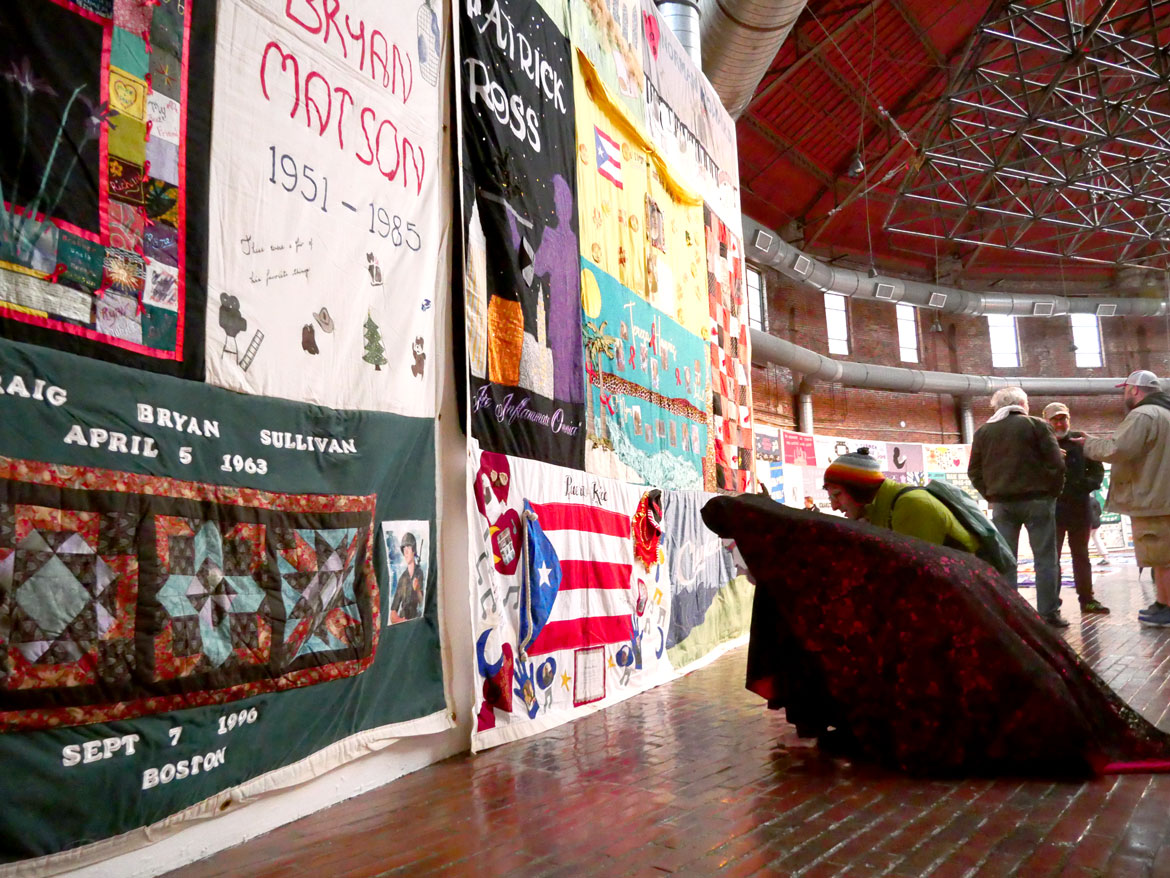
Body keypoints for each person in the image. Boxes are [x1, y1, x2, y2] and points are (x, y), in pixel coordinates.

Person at [702, 493, 1170, 776]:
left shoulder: (799, 547)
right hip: (955, 581)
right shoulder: (807, 534)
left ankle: (1061, 730)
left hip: (939, 595)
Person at [968, 386, 1067, 627]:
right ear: (1023, 404)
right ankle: (1048, 613)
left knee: (1006, 559)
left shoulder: (984, 432)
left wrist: (991, 494)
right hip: (1038, 501)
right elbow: (1056, 464)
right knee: (1045, 559)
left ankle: (1010, 613)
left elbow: (974, 472)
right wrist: (1052, 493)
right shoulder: (1036, 426)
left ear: (997, 407)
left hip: (1002, 505)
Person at [1083, 371, 1170, 627]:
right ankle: (1162, 603)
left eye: (1125, 389)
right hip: (1163, 497)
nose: (1123, 394)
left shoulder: (1144, 415)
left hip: (1151, 500)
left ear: (1134, 390)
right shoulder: (1166, 413)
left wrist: (1087, 444)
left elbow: (1116, 449)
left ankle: (1166, 608)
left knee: (1160, 558)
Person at [823, 448, 978, 553]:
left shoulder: (912, 506)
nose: (834, 506)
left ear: (859, 489)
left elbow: (915, 576)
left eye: (837, 495)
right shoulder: (880, 509)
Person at [1042, 402, 1109, 614]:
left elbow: (1097, 472)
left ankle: (1087, 600)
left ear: (1068, 420)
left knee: (1081, 555)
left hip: (1080, 507)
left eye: (1063, 418)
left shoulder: (1081, 440)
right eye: (1055, 419)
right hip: (1053, 509)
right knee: (1052, 558)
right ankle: (1052, 604)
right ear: (1047, 421)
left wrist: (1082, 486)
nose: (1060, 423)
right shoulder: (1042, 443)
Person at [390, 532, 424, 622]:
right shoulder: (402, 579)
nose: (406, 552)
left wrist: (417, 590)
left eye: (408, 548)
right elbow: (393, 614)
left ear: (414, 551)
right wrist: (401, 621)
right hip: (404, 621)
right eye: (404, 549)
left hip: (417, 620)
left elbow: (423, 603)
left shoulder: (420, 573)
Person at [1089, 488, 1110, 565]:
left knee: (1083, 542)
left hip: (1089, 524)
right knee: (1097, 540)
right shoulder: (1094, 500)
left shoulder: (1084, 502)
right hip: (1096, 523)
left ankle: (1082, 560)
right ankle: (1105, 557)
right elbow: (1099, 512)